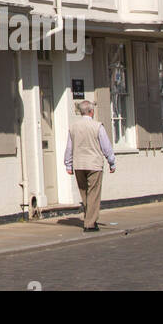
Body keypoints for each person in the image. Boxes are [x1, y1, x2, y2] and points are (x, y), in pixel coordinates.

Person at [64, 99, 116, 232]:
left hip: (79, 164)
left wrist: (68, 165)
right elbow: (106, 147)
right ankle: (90, 223)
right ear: (91, 112)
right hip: (94, 164)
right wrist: (111, 162)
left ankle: (89, 218)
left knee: (84, 194)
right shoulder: (97, 126)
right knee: (93, 194)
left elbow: (69, 147)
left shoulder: (73, 127)